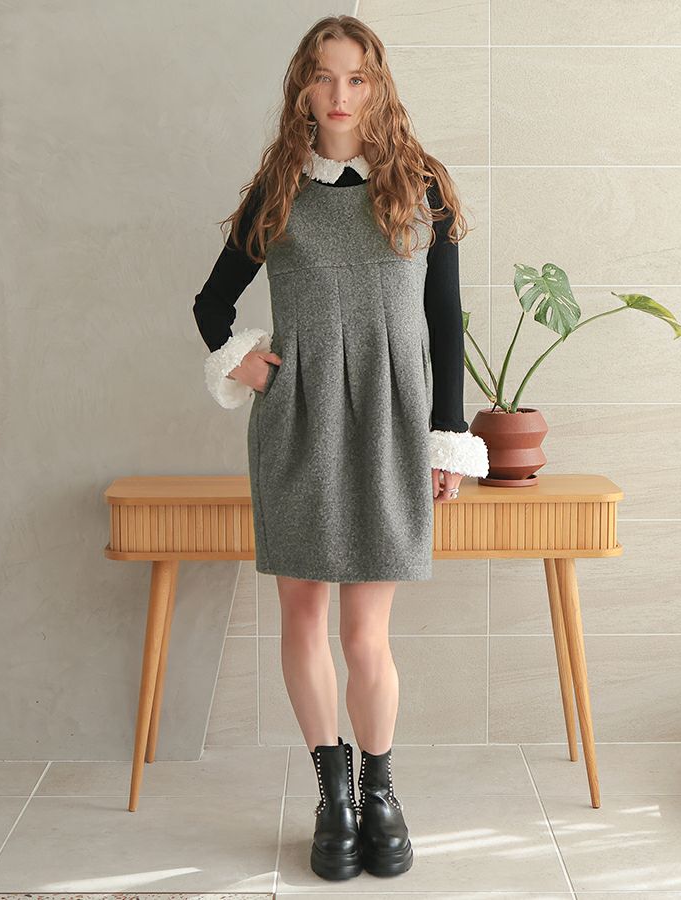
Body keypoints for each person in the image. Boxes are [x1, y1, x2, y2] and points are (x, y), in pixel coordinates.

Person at [193, 15, 489, 882]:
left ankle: (381, 791)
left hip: (392, 427)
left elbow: (444, 323)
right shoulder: (279, 188)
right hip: (299, 424)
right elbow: (211, 303)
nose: (339, 94)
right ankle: (334, 796)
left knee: (366, 632)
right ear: (303, 85)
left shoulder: (422, 186)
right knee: (303, 618)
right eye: (324, 77)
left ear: (377, 85)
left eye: (356, 78)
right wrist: (244, 362)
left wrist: (446, 440)